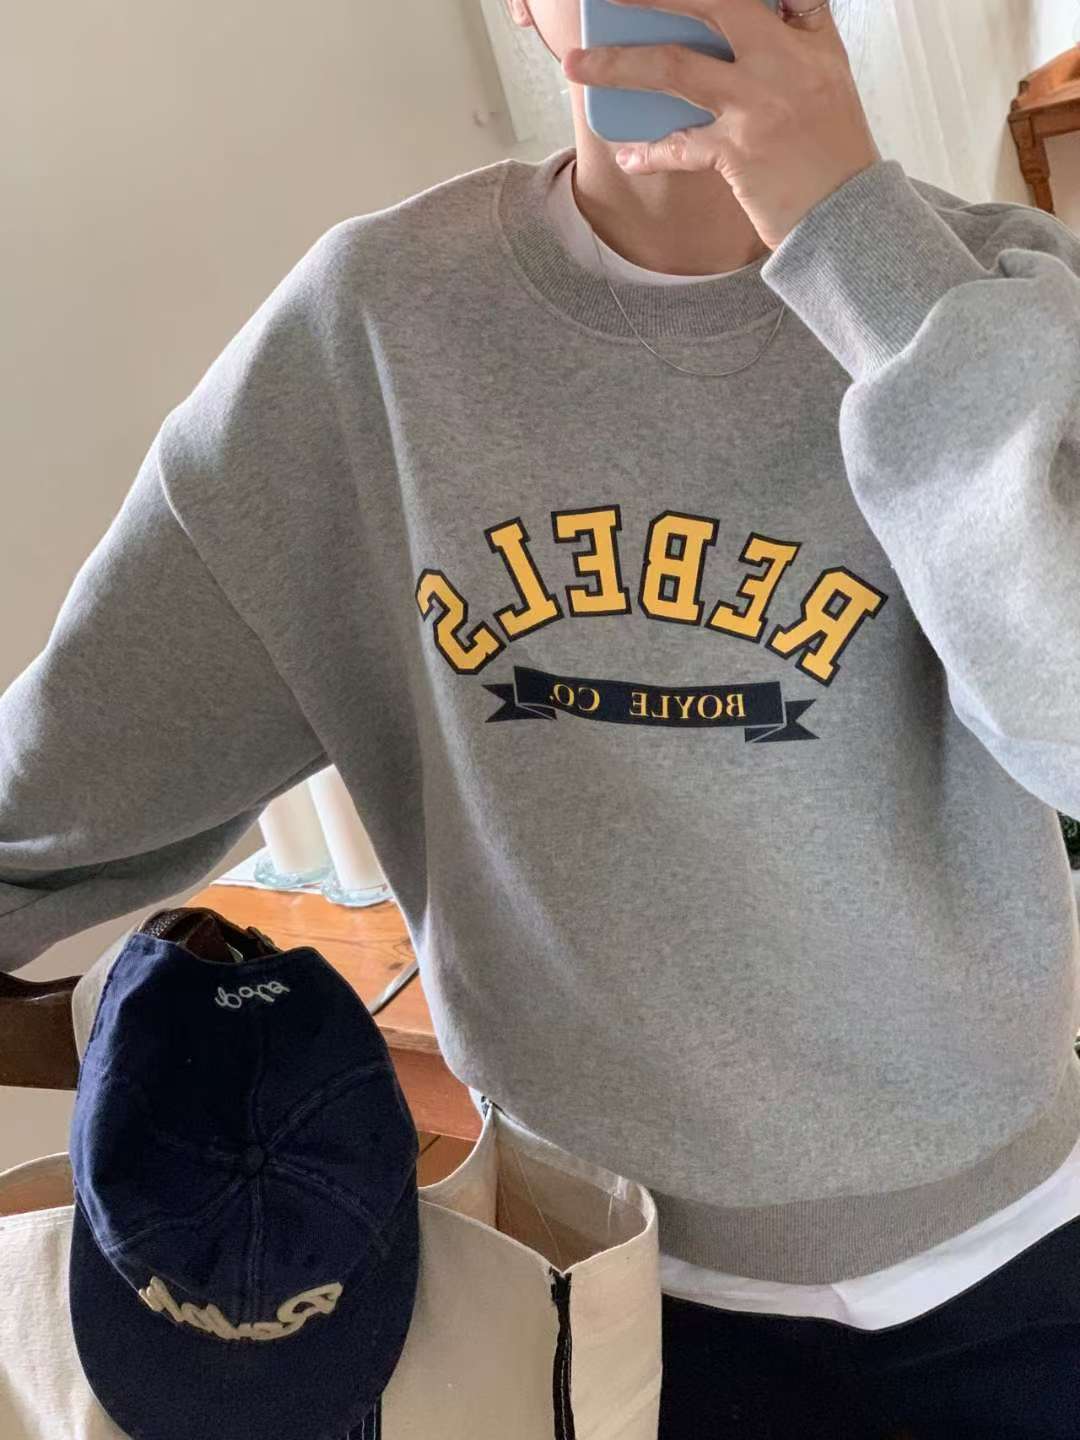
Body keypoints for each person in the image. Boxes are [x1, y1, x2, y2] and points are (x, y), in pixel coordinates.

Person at [3, 0, 1079, 1433]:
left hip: (1019, 1250)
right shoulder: (371, 330)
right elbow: (80, 758)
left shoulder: (1001, 298)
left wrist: (851, 238)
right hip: (600, 1279)